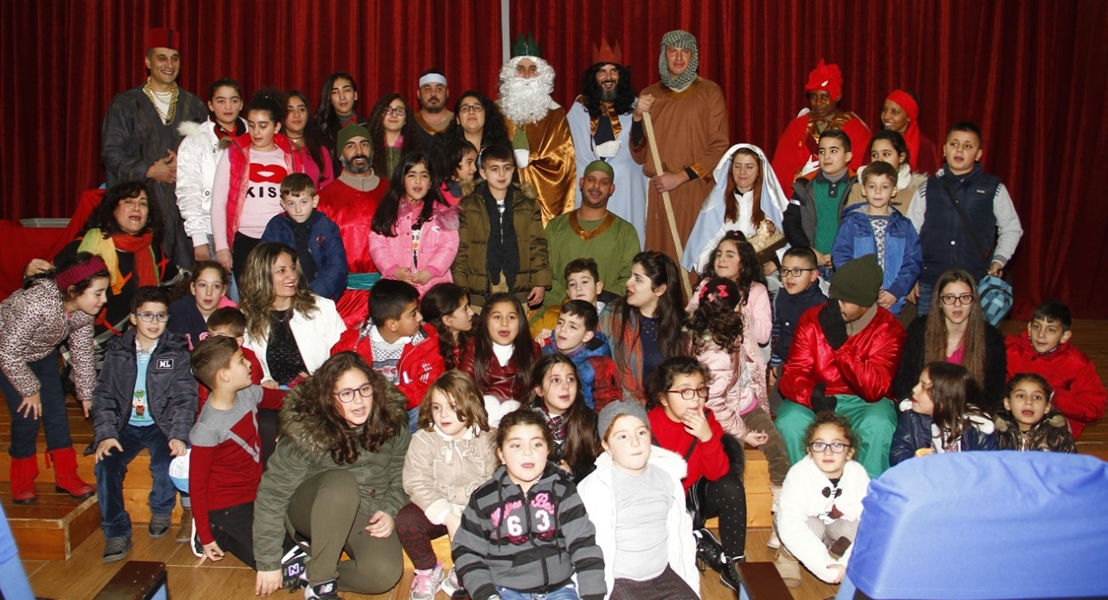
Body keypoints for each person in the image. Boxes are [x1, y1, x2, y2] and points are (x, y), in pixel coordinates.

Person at [252, 352, 410, 599]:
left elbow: (402, 474)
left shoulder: (390, 419)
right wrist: (268, 562)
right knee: (341, 483)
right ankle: (321, 585)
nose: (358, 401)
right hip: (312, 507)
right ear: (328, 397)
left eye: (364, 390)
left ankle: (304, 571)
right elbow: (272, 494)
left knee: (382, 574)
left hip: (366, 507)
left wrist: (391, 509)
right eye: (346, 394)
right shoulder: (306, 428)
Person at [451, 408, 607, 600]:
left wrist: (593, 595)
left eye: (537, 444)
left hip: (559, 590)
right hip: (504, 590)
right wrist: (486, 594)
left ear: (548, 450)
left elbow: (584, 544)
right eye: (516, 446)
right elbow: (466, 551)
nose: (528, 453)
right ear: (501, 454)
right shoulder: (484, 498)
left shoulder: (563, 491)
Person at [92, 286, 198, 563]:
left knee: (166, 463)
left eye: (160, 316)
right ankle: (116, 532)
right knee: (106, 467)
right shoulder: (116, 352)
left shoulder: (176, 352)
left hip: (161, 425)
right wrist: (105, 433)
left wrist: (178, 434)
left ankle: (161, 509)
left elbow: (186, 398)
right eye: (147, 315)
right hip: (124, 425)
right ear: (133, 318)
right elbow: (102, 395)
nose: (154, 322)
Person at [778, 255, 905, 478]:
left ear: (866, 303)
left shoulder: (889, 329)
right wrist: (811, 397)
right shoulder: (813, 318)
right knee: (790, 420)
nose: (836, 306)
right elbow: (793, 372)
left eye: (845, 301)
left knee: (879, 424)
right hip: (818, 396)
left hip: (864, 402)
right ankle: (808, 491)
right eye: (834, 298)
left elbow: (875, 389)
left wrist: (841, 346)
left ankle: (867, 498)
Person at [0, 254, 107, 505]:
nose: (104, 300)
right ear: (73, 290)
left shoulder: (81, 311)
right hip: (7, 353)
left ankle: (66, 476)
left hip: (41, 352)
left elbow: (82, 352)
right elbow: (7, 351)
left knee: (56, 412)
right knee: (27, 415)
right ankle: (22, 479)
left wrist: (86, 393)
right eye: (99, 293)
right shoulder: (36, 304)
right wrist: (29, 389)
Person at [101, 28, 207, 270]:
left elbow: (210, 154)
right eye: (162, 58)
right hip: (139, 211)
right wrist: (149, 170)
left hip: (183, 216)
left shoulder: (194, 106)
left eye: (175, 58)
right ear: (148, 62)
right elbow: (111, 153)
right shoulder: (126, 104)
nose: (169, 65)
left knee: (184, 285)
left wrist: (188, 163)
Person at [687, 277, 789, 521]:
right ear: (734, 308)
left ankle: (781, 509)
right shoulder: (715, 354)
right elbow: (714, 404)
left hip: (744, 403)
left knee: (776, 447)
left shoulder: (731, 331)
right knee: (735, 464)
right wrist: (743, 433)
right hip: (724, 416)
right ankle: (733, 516)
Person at [578, 401, 700, 600]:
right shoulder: (594, 488)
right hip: (619, 580)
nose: (635, 442)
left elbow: (682, 536)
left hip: (664, 575)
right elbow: (582, 547)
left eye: (641, 433)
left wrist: (690, 582)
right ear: (606, 445)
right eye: (623, 436)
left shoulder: (667, 479)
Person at [645, 356, 747, 590]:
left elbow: (717, 474)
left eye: (701, 390)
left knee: (731, 486)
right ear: (663, 398)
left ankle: (733, 561)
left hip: (694, 498)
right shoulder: (647, 425)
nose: (696, 399)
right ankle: (695, 538)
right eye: (685, 392)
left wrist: (706, 437)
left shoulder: (707, 418)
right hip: (661, 504)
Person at [187, 336, 286, 567]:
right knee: (269, 560)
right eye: (241, 360)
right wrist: (205, 533)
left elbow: (284, 399)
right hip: (226, 507)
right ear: (224, 375)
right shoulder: (206, 429)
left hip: (258, 493)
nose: (250, 363)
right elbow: (198, 485)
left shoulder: (248, 394)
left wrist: (322, 397)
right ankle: (214, 531)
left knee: (295, 542)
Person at [906, 122, 1023, 315]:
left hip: (974, 281)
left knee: (971, 342)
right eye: (954, 144)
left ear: (978, 154)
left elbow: (1012, 228)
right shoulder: (927, 187)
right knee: (928, 340)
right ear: (944, 150)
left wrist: (998, 260)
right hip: (930, 281)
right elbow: (910, 233)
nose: (959, 150)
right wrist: (911, 277)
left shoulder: (993, 188)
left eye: (968, 146)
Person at [630, 30, 729, 260]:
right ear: (663, 55)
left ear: (693, 56)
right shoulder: (650, 95)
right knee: (661, 260)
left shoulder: (710, 92)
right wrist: (636, 118)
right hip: (660, 191)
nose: (678, 58)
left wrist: (680, 177)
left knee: (694, 256)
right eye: (672, 51)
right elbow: (639, 153)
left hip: (695, 188)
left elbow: (719, 145)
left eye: (685, 52)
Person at [399, 371, 497, 600]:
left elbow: (495, 481)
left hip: (474, 512)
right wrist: (447, 515)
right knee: (406, 521)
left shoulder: (488, 439)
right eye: (436, 407)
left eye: (453, 406)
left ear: (470, 404)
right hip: (437, 510)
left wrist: (469, 516)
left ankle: (466, 569)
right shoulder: (423, 439)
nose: (443, 414)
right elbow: (415, 481)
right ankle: (427, 570)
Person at [54, 181, 182, 344]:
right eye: (129, 201)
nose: (137, 208)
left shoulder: (153, 253)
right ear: (113, 208)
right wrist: (29, 272)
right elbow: (47, 288)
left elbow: (181, 283)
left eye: (143, 203)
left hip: (133, 346)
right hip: (82, 345)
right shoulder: (83, 247)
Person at [211, 90, 305, 284]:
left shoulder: (291, 156)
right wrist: (221, 247)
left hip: (280, 236)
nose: (256, 132)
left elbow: (301, 202)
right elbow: (218, 202)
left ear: (277, 126)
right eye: (251, 125)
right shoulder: (234, 153)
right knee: (250, 302)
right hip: (244, 238)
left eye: (263, 126)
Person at [332, 279, 445, 430]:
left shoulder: (425, 340)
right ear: (392, 324)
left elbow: (427, 387)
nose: (420, 317)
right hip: (363, 412)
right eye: (413, 313)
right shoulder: (351, 345)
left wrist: (381, 396)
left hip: (405, 413)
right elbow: (336, 385)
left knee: (428, 409)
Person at [567, 40, 650, 243]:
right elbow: (569, 152)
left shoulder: (635, 107)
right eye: (602, 71)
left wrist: (638, 118)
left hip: (626, 191)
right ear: (594, 77)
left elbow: (642, 150)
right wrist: (596, 153)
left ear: (621, 76)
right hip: (590, 191)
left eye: (614, 71)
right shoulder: (579, 109)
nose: (608, 77)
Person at [451, 144, 551, 311]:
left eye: (506, 168)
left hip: (518, 283)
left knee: (514, 333)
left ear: (514, 169)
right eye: (494, 169)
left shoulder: (527, 203)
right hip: (481, 286)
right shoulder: (469, 204)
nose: (502, 174)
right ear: (483, 172)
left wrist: (540, 282)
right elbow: (461, 249)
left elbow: (537, 245)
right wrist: (460, 287)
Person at [775, 413, 869, 587]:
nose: (828, 452)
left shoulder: (858, 474)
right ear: (809, 451)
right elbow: (791, 525)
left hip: (835, 524)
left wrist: (845, 565)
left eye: (837, 445)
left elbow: (870, 524)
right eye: (819, 445)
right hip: (806, 524)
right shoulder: (799, 474)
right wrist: (826, 570)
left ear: (850, 453)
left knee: (852, 529)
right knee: (814, 528)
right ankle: (788, 556)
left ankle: (834, 554)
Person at [894, 269, 1007, 411]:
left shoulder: (991, 338)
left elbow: (993, 393)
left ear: (974, 301)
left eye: (965, 297)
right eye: (949, 298)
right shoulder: (919, 330)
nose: (957, 304)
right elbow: (904, 382)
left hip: (968, 415)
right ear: (939, 302)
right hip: (922, 411)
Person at [238, 243, 346, 388]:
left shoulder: (322, 308)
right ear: (261, 276)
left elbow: (343, 359)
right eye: (281, 271)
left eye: (293, 268)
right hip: (269, 399)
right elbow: (244, 364)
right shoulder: (246, 317)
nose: (292, 276)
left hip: (320, 394)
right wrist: (263, 382)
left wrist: (320, 382)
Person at [498, 34, 577, 224]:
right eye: (521, 69)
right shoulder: (495, 111)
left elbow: (564, 160)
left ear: (542, 74)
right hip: (503, 194)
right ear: (511, 74)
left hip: (544, 200)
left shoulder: (555, 113)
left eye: (532, 69)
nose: (526, 75)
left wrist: (530, 160)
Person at [317, 123, 390, 327]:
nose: (359, 151)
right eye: (350, 146)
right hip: (344, 298)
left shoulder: (392, 192)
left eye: (364, 144)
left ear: (372, 151)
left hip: (388, 296)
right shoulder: (324, 199)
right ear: (340, 155)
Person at [543, 161, 638, 310]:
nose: (596, 186)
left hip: (606, 318)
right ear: (581, 183)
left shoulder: (625, 232)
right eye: (591, 180)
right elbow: (543, 271)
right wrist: (568, 300)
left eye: (604, 182)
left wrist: (598, 303)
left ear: (611, 189)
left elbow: (629, 279)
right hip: (558, 313)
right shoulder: (555, 227)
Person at [832, 160, 922, 316]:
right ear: (863, 190)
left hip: (892, 301)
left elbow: (913, 261)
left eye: (885, 187)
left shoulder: (904, 226)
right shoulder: (852, 223)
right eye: (872, 186)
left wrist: (896, 291)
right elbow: (840, 256)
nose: (878, 192)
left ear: (894, 190)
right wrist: (862, 285)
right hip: (859, 299)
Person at [1005, 300, 1106, 438]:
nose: (1041, 334)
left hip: (1054, 423)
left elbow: (1095, 407)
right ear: (1029, 328)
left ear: (1064, 336)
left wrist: (1055, 396)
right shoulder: (1010, 349)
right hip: (1012, 414)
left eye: (1051, 330)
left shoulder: (1078, 363)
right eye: (1036, 327)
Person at [684, 144, 790, 275]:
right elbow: (703, 248)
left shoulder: (773, 204)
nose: (742, 172)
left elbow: (791, 242)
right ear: (731, 170)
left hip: (765, 276)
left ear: (759, 171)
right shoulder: (716, 205)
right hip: (724, 276)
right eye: (737, 166)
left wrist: (772, 265)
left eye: (749, 167)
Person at [599, 251, 687, 404]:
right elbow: (593, 360)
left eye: (638, 279)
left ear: (660, 289)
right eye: (631, 276)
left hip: (666, 409)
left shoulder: (682, 326)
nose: (628, 283)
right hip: (620, 407)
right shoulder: (612, 315)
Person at [770, 59, 870, 191]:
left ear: (837, 96)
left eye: (824, 96)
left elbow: (863, 172)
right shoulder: (797, 126)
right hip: (801, 202)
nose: (818, 102)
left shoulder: (855, 129)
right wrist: (802, 175)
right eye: (813, 97)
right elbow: (780, 171)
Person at [176, 78, 246, 264]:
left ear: (241, 104)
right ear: (210, 105)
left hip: (249, 228)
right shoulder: (195, 140)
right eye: (221, 101)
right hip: (211, 230)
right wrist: (198, 238)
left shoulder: (254, 133)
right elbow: (188, 192)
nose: (228, 106)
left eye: (234, 100)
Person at [369, 152, 460, 295]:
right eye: (411, 175)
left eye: (424, 175)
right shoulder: (388, 212)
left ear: (430, 183)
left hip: (435, 289)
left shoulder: (443, 213)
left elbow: (449, 246)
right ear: (401, 179)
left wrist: (431, 270)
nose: (418, 181)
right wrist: (394, 270)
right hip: (397, 289)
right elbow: (378, 246)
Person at [889, 362, 998, 465]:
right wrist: (919, 460)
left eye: (923, 387)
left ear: (946, 398)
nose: (914, 389)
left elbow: (988, 468)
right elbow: (898, 454)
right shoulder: (911, 416)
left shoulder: (978, 427)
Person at [260, 173, 348, 300]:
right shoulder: (275, 227)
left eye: (303, 202)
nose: (298, 209)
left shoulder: (326, 227)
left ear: (315, 201)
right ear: (283, 204)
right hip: (283, 296)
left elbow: (337, 267)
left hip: (319, 296)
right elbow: (262, 264)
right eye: (291, 203)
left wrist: (311, 294)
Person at [687, 232, 773, 361]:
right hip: (706, 354)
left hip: (742, 361)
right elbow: (689, 318)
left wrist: (738, 312)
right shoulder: (707, 284)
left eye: (730, 255)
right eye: (719, 254)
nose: (722, 259)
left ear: (744, 262)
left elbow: (764, 335)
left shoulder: (756, 291)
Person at [458, 293, 540, 426]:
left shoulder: (532, 350)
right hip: (480, 419)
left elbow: (535, 392)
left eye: (512, 317)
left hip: (518, 421)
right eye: (497, 317)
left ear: (521, 322)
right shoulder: (474, 347)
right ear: (486, 321)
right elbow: (462, 386)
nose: (504, 323)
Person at [783, 130, 855, 279]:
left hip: (848, 266)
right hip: (811, 267)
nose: (826, 156)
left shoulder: (859, 186)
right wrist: (808, 250)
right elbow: (791, 222)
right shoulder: (804, 186)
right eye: (822, 151)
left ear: (848, 156)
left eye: (833, 151)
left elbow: (864, 228)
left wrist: (841, 254)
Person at [529, 354, 600, 483]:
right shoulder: (524, 423)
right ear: (539, 390)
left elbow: (599, 465)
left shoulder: (589, 420)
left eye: (570, 379)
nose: (566, 386)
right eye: (555, 380)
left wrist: (573, 473)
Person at [541, 300, 621, 413]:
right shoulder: (545, 349)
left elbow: (607, 406)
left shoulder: (600, 365)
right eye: (560, 322)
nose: (563, 329)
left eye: (572, 327)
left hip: (584, 421)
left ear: (587, 336)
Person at [770, 248, 827, 379]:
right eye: (784, 270)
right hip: (785, 364)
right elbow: (778, 330)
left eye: (797, 271)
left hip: (811, 370)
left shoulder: (822, 306)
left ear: (813, 275)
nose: (789, 277)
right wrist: (775, 361)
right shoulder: (780, 296)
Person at [842, 130, 927, 216]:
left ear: (901, 157)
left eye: (886, 154)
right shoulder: (859, 188)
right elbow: (850, 224)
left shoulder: (915, 191)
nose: (879, 159)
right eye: (875, 155)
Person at [994, 373, 1077, 453]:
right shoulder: (996, 435)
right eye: (1021, 396)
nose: (1029, 402)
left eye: (1037, 397)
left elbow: (1070, 466)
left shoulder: (1059, 438)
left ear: (1047, 407)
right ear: (1007, 403)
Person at [531, 258, 610, 337]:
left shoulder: (612, 319)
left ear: (598, 287)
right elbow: (526, 341)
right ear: (568, 293)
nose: (578, 288)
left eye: (584, 282)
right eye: (572, 284)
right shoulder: (551, 316)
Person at [168, 260, 235, 349]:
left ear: (223, 290)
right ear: (193, 288)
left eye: (216, 286)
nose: (209, 292)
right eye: (202, 285)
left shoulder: (232, 317)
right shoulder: (179, 311)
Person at [879, 89, 939, 174]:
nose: (886, 116)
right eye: (885, 110)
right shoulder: (877, 141)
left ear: (909, 117)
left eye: (894, 112)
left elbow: (931, 182)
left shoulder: (925, 146)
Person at [284, 90, 335, 190]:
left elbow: (328, 190)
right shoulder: (274, 148)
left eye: (301, 109)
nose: (297, 115)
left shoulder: (320, 151)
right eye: (290, 110)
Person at [315, 72, 363, 175]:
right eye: (335, 92)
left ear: (355, 95)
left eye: (347, 90)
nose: (342, 97)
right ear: (329, 98)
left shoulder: (368, 127)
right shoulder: (319, 130)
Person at [367, 94, 424, 180]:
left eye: (399, 111)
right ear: (379, 115)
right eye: (388, 110)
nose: (394, 115)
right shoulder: (367, 147)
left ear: (406, 119)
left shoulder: (417, 149)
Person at [420, 283, 474, 371]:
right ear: (448, 320)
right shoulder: (431, 353)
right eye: (465, 308)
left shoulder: (475, 337)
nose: (471, 312)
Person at [412, 69, 456, 151]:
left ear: (447, 93)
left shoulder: (459, 122)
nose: (433, 94)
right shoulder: (409, 123)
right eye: (427, 89)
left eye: (439, 89)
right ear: (418, 94)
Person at [439, 137, 479, 206]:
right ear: (454, 160)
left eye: (475, 163)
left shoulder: (478, 191)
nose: (475, 168)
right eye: (469, 162)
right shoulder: (436, 193)